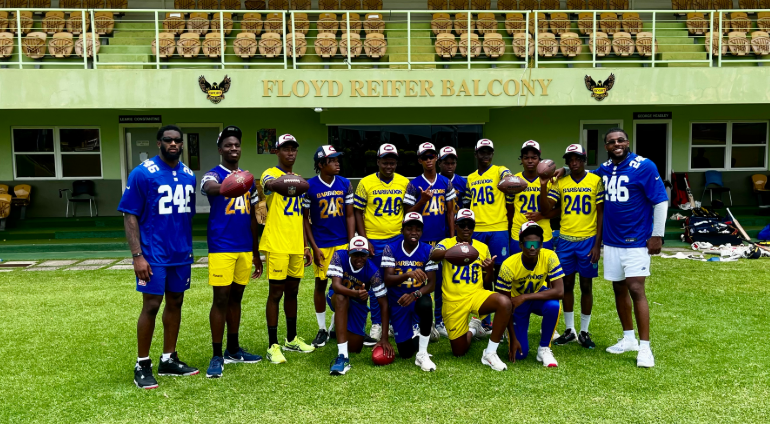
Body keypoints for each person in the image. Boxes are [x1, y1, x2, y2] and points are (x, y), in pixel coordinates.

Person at [554, 128, 668, 368]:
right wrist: (564, 170)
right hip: (612, 242)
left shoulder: (644, 166)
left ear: (627, 142)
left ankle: (645, 348)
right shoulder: (604, 169)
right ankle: (628, 338)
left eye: (620, 140)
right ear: (605, 146)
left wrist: (657, 234)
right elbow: (585, 175)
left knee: (636, 288)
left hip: (637, 240)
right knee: (619, 289)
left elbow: (660, 200)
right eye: (611, 142)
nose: (616, 144)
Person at [118, 125, 199, 390]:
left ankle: (168, 358)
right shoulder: (143, 173)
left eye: (177, 141)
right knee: (152, 305)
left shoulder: (188, 174)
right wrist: (137, 255)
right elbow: (129, 214)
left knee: (176, 301)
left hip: (180, 252)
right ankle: (142, 363)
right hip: (153, 253)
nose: (173, 144)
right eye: (168, 140)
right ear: (159, 143)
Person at [199, 126, 263, 379]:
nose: (233, 148)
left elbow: (254, 216)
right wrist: (230, 186)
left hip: (244, 246)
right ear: (220, 149)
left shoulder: (248, 179)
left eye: (236, 145)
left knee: (237, 298)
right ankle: (216, 354)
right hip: (222, 245)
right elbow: (211, 189)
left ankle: (233, 349)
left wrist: (256, 252)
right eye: (228, 145)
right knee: (221, 299)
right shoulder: (212, 175)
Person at [429, 209, 513, 371]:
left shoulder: (482, 247)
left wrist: (489, 271)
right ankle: (474, 328)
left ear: (474, 227)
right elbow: (433, 255)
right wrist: (453, 252)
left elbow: (488, 285)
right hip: (453, 301)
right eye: (462, 225)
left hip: (476, 295)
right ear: (456, 225)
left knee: (504, 302)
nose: (466, 228)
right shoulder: (446, 242)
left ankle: (490, 353)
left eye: (470, 225)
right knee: (459, 351)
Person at [258, 134, 315, 364]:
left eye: (293, 149)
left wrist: (305, 245)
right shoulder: (269, 172)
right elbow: (271, 186)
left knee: (293, 292)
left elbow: (302, 216)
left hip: (294, 243)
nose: (290, 152)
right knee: (276, 293)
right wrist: (290, 181)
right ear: (277, 151)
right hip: (277, 242)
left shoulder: (299, 179)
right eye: (285, 149)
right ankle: (273, 345)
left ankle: (291, 338)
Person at [353, 143, 409, 343]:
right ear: (377, 162)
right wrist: (364, 238)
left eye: (392, 162)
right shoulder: (365, 183)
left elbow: (409, 210)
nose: (389, 166)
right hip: (374, 239)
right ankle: (377, 323)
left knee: (396, 281)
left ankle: (394, 322)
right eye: (385, 162)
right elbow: (357, 212)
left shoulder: (403, 182)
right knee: (376, 283)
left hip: (396, 238)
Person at [552, 144, 604, 349]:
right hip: (565, 239)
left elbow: (600, 213)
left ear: (584, 160)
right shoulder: (561, 182)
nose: (574, 163)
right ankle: (570, 329)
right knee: (566, 286)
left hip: (588, 239)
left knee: (586, 286)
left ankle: (584, 330)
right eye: (570, 160)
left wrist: (597, 244)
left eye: (577, 159)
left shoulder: (595, 180)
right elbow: (552, 206)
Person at [302, 145, 355, 348]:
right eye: (332, 160)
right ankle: (322, 328)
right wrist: (313, 247)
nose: (337, 163)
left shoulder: (345, 183)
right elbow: (305, 220)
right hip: (322, 244)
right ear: (321, 164)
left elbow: (350, 215)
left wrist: (351, 243)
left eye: (337, 159)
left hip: (342, 242)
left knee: (342, 286)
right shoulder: (309, 186)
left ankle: (334, 325)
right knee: (320, 284)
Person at [404, 142, 455, 340]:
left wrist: (452, 239)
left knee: (442, 282)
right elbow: (407, 214)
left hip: (441, 240)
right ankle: (417, 323)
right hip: (421, 242)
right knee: (419, 281)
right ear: (419, 160)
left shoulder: (445, 182)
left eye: (431, 156)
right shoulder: (414, 183)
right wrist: (422, 201)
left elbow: (451, 212)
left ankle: (440, 320)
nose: (428, 160)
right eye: (424, 157)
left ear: (437, 158)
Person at [463, 139, 515, 334]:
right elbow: (467, 204)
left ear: (492, 154)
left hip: (499, 228)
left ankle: (504, 315)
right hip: (478, 229)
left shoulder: (500, 170)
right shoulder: (470, 178)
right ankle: (484, 319)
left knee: (502, 273)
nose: (485, 155)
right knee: (481, 273)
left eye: (489, 152)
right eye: (482, 152)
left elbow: (509, 178)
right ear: (476, 154)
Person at [496, 222, 564, 368]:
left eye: (536, 243)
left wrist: (525, 297)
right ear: (521, 245)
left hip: (530, 297)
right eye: (528, 244)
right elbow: (504, 304)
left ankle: (544, 348)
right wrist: (514, 338)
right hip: (514, 304)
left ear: (541, 244)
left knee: (553, 305)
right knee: (521, 355)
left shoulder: (550, 256)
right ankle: (509, 334)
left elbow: (560, 291)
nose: (532, 247)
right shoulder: (508, 265)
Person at [327, 236, 393, 376]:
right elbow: (336, 286)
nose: (359, 258)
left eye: (363, 254)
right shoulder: (339, 256)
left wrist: (384, 338)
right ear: (349, 253)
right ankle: (342, 357)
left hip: (358, 303)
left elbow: (384, 303)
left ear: (368, 254)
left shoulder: (373, 271)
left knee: (355, 347)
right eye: (355, 254)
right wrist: (355, 293)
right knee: (341, 298)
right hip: (338, 297)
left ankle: (340, 325)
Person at [381, 212, 438, 372]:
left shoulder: (428, 250)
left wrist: (415, 295)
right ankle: (421, 334)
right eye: (409, 228)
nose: (414, 232)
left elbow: (431, 284)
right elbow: (387, 279)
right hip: (398, 302)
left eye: (418, 229)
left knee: (426, 303)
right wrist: (407, 274)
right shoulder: (390, 248)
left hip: (416, 298)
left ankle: (422, 353)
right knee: (405, 352)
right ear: (402, 230)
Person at [435, 145, 468, 338]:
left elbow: (467, 208)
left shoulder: (463, 182)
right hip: (435, 234)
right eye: (446, 162)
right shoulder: (432, 181)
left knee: (450, 281)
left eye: (453, 162)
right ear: (439, 163)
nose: (449, 165)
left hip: (455, 236)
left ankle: (447, 318)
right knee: (435, 281)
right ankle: (433, 320)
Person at [509, 140, 558, 255]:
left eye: (534, 157)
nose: (530, 161)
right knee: (519, 268)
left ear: (539, 160)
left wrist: (542, 215)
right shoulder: (513, 180)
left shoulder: (551, 180)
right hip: (518, 233)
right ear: (521, 159)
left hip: (543, 234)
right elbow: (510, 209)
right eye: (526, 157)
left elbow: (559, 209)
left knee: (544, 268)